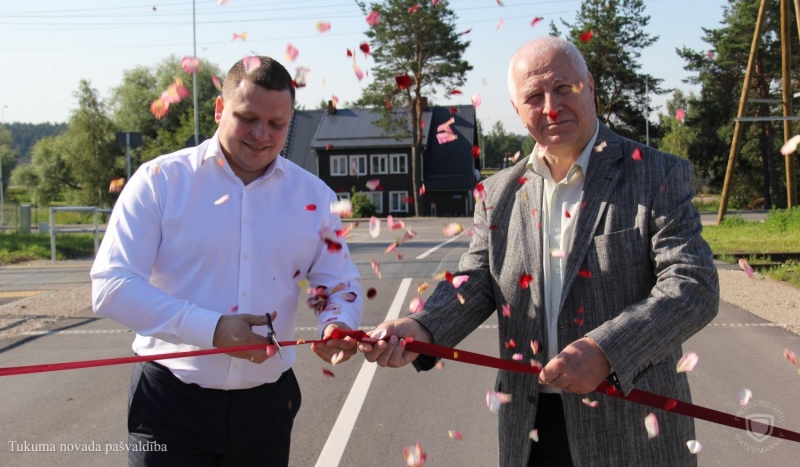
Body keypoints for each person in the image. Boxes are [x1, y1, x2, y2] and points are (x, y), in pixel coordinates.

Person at [359, 37, 719, 467]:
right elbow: (477, 281)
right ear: (516, 109)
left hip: (631, 427)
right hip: (530, 431)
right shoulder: (497, 193)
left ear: (590, 88)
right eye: (533, 96)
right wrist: (421, 327)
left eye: (564, 88)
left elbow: (692, 286)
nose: (551, 107)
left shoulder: (656, 173)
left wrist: (605, 350)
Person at [91, 56, 363, 466]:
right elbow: (111, 286)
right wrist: (213, 329)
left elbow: (339, 282)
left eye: (276, 123)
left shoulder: (315, 196)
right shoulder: (160, 181)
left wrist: (337, 322)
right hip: (170, 404)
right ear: (220, 109)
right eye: (247, 118)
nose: (261, 134)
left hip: (266, 409)